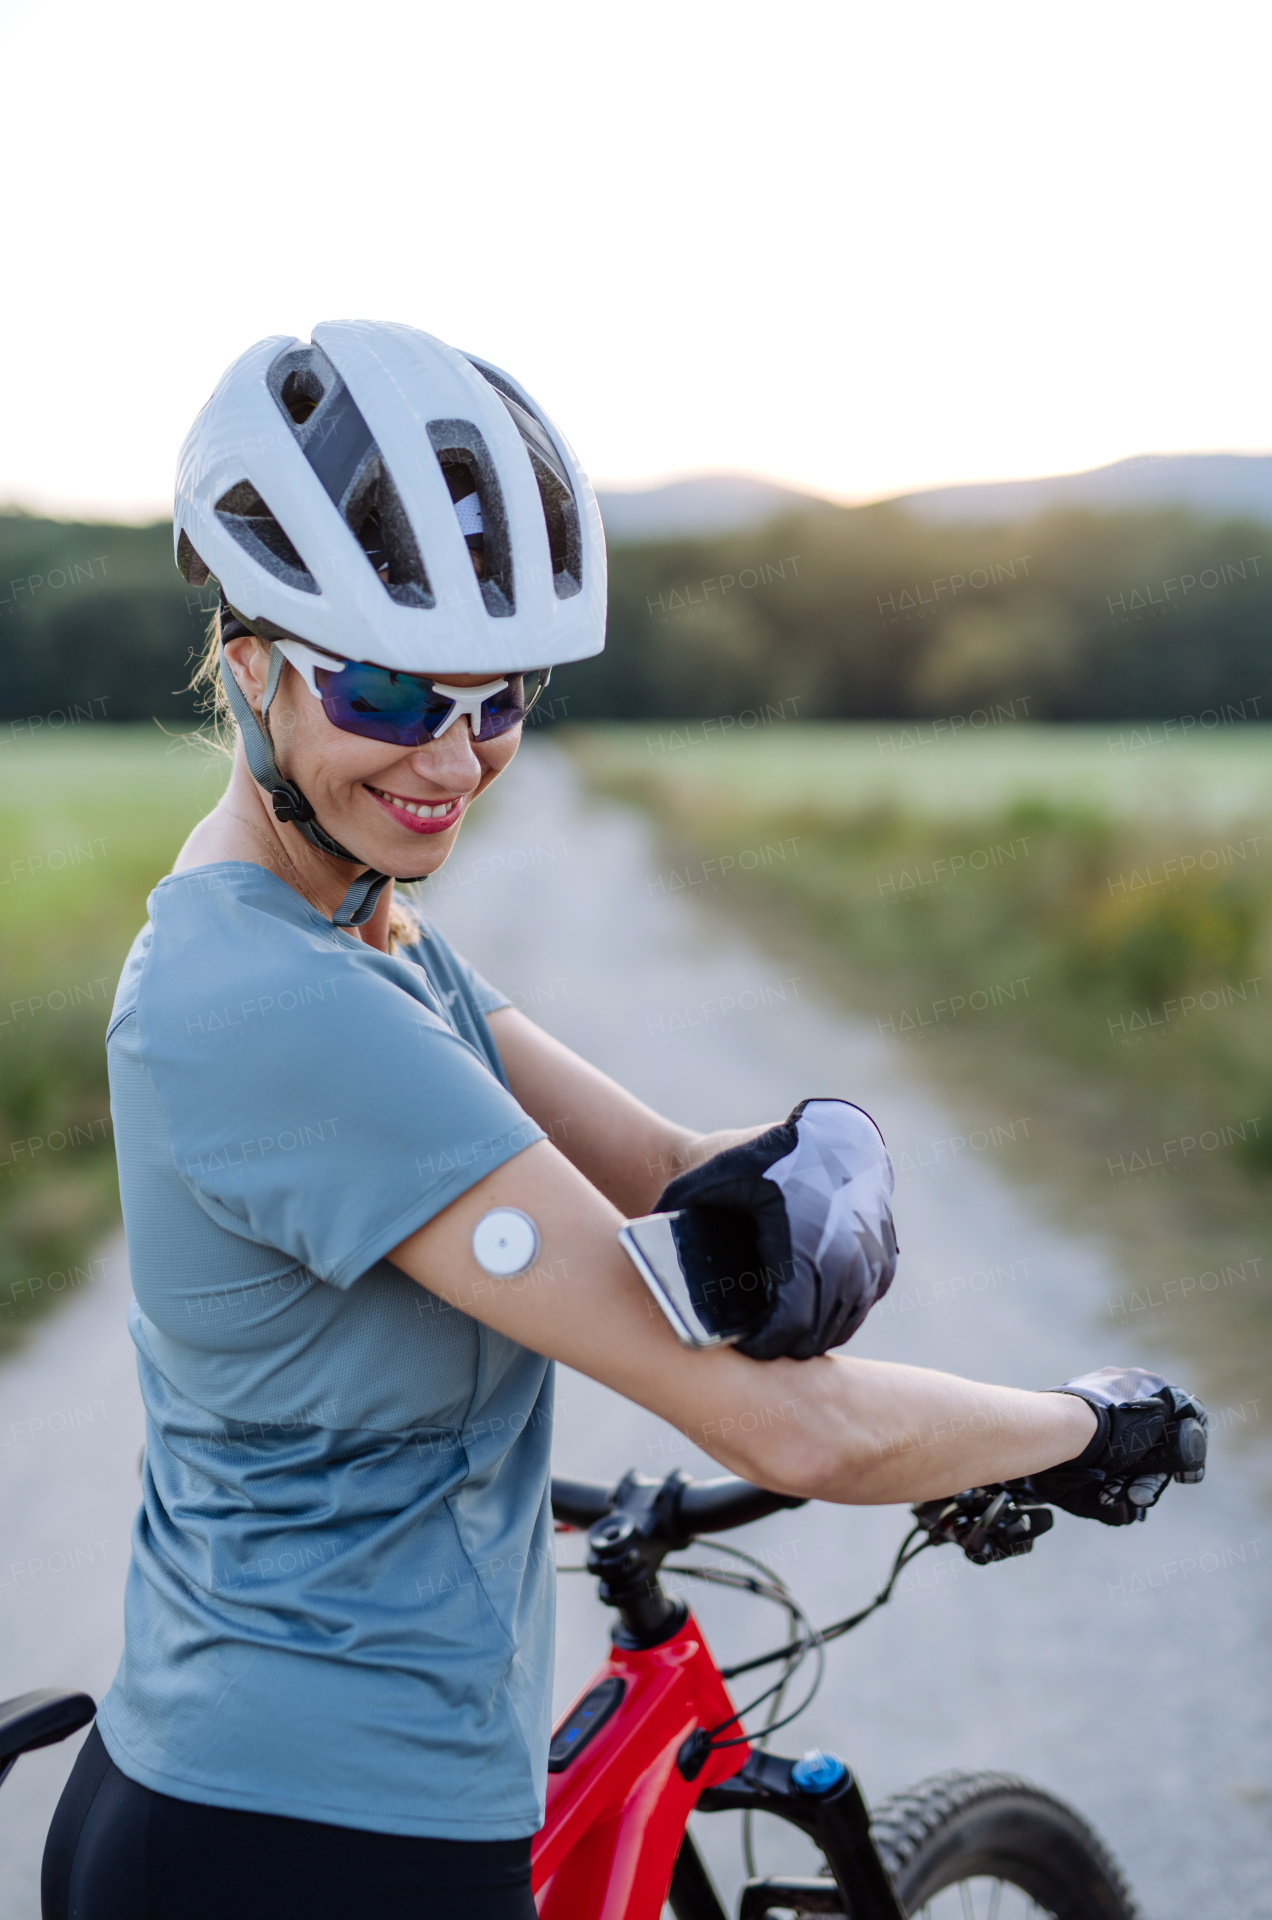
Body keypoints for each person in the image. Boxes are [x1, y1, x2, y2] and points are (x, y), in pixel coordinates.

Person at [41, 322, 1206, 1920]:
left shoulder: (350, 930)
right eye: (387, 692)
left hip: (241, 1796)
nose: (454, 758)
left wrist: (823, 1167)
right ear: (249, 663)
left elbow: (663, 1166)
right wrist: (1095, 1424)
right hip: (323, 1846)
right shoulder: (281, 1006)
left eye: (499, 697)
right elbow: (790, 1431)